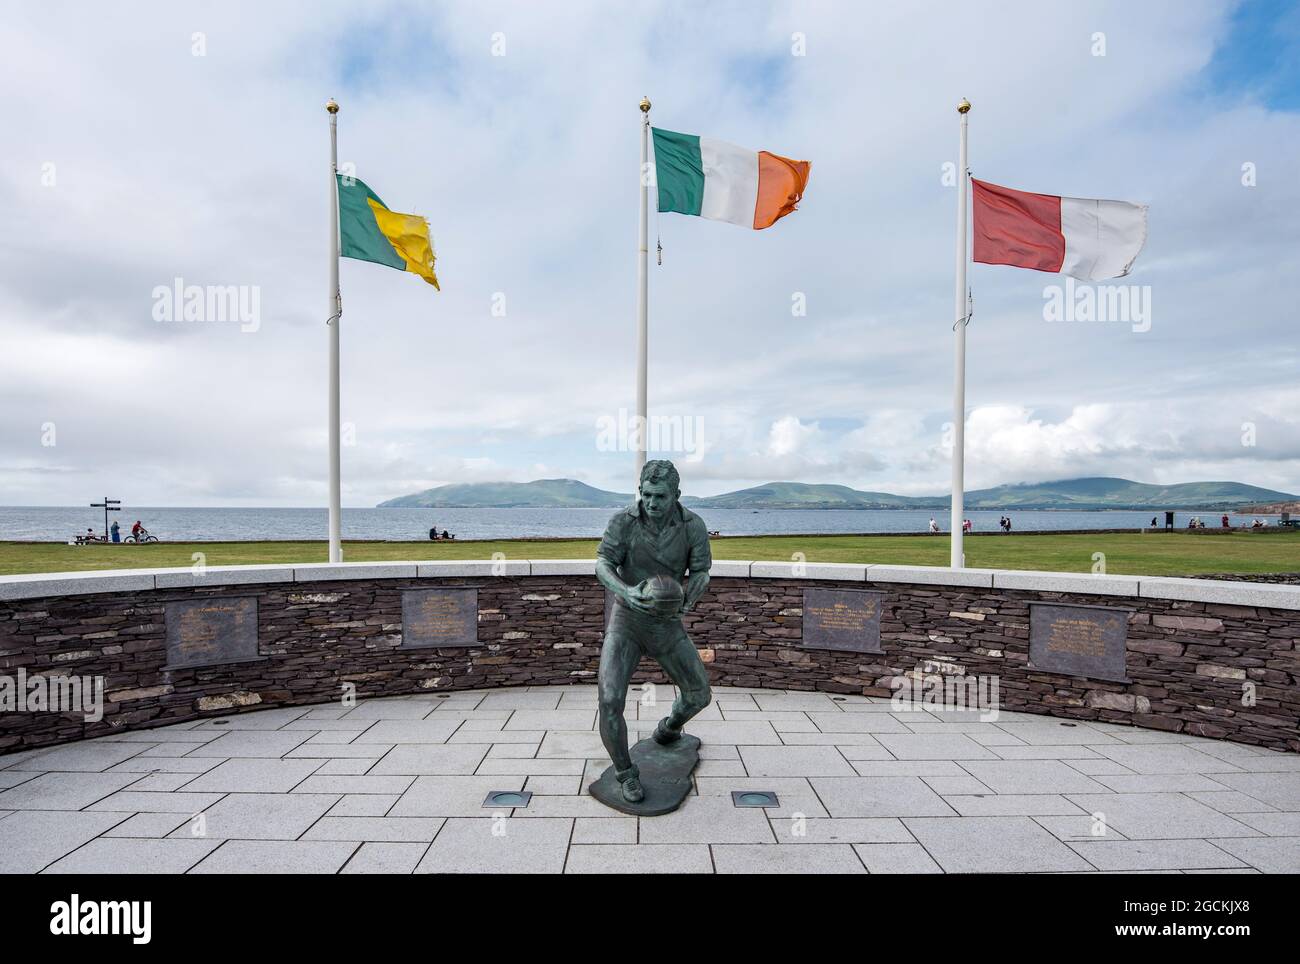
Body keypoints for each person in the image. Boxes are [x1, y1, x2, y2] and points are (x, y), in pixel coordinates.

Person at [595, 459, 712, 805]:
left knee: (698, 695)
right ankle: (625, 773)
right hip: (627, 620)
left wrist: (688, 600)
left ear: (676, 494)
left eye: (660, 496)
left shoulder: (693, 525)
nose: (651, 502)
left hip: (666, 622)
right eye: (646, 494)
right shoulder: (623, 522)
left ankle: (669, 728)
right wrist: (626, 591)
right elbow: (602, 563)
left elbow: (702, 571)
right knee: (609, 699)